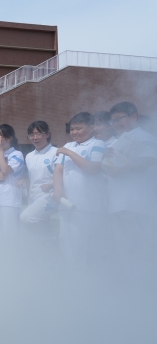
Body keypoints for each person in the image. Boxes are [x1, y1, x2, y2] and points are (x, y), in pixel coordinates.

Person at [102, 102, 157, 259]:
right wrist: (105, 160)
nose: (116, 124)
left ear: (134, 117)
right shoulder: (117, 141)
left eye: (119, 119)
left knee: (137, 250)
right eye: (113, 121)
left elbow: (148, 159)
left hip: (136, 203)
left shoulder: (144, 137)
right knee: (123, 250)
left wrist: (120, 170)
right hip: (118, 202)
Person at [52, 112, 107, 265]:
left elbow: (92, 168)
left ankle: (84, 275)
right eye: (72, 129)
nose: (74, 132)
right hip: (66, 203)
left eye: (78, 128)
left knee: (82, 245)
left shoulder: (98, 144)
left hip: (87, 205)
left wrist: (68, 153)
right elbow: (58, 170)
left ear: (91, 127)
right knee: (65, 243)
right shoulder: (68, 146)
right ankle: (71, 274)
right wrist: (58, 190)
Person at [19, 121, 58, 233]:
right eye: (31, 135)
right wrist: (23, 181)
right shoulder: (29, 156)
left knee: (26, 217)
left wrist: (52, 185)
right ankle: (46, 242)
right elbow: (30, 175)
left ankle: (49, 238)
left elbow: (64, 175)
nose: (35, 138)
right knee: (36, 224)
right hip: (33, 195)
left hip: (50, 195)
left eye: (39, 134)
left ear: (47, 134)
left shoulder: (56, 152)